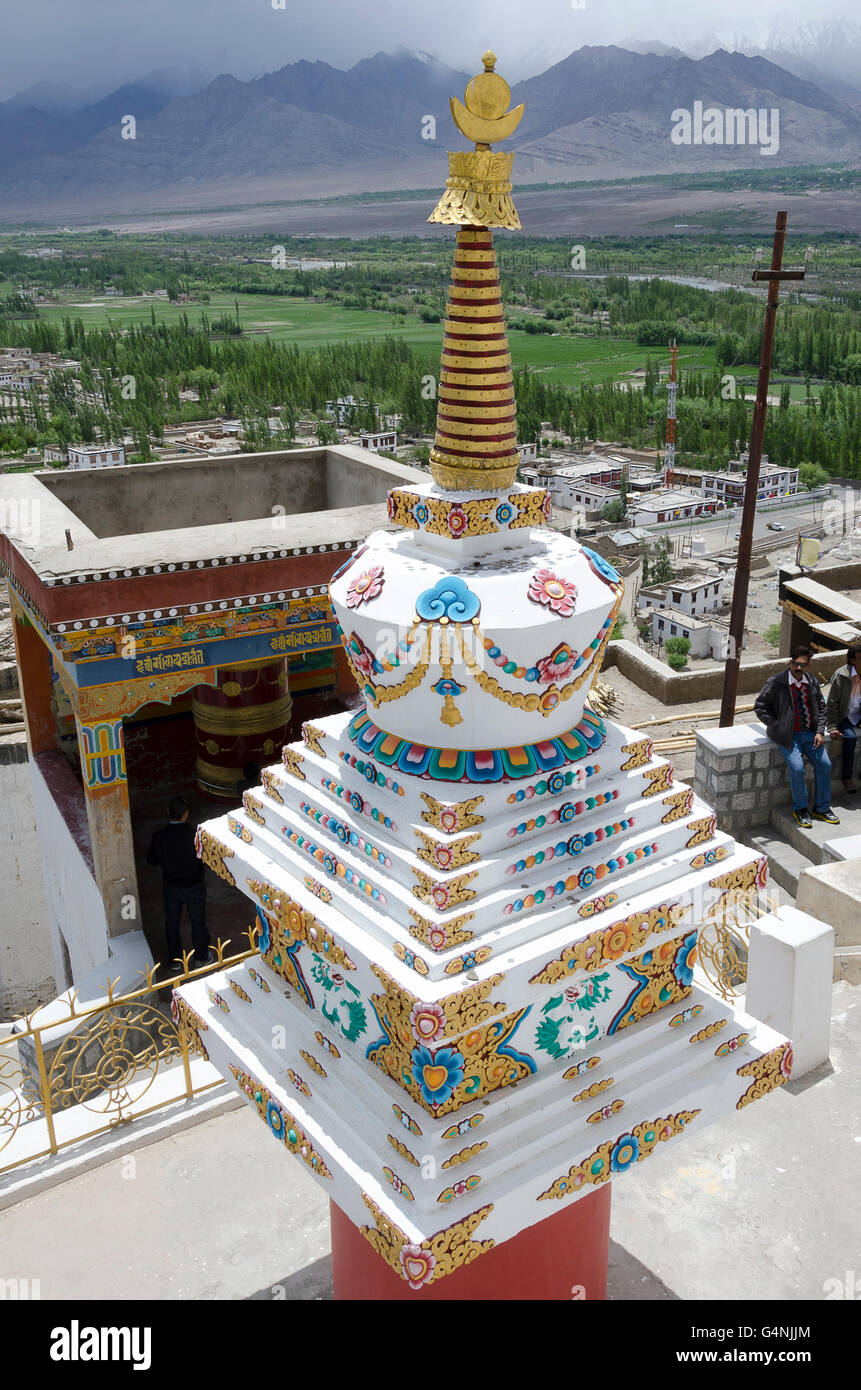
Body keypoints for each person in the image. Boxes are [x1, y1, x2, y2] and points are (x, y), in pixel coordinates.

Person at [753, 644, 839, 829]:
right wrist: (777, 726)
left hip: (810, 734)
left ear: (808, 665)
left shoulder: (812, 682)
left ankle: (822, 808)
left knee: (825, 765)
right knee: (798, 768)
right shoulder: (777, 682)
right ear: (790, 662)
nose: (799, 668)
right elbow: (760, 706)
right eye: (796, 664)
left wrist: (819, 731)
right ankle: (800, 809)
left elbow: (821, 707)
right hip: (788, 737)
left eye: (803, 665)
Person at [146, 796, 215, 968]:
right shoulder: (194, 835)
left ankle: (175, 961)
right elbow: (205, 858)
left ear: (168, 813)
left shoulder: (160, 836)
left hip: (172, 886)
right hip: (194, 885)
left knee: (172, 922)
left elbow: (152, 859)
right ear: (186, 814)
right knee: (197, 921)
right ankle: (201, 956)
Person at [826, 642, 861, 795]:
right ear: (853, 660)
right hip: (844, 716)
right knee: (851, 738)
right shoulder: (842, 676)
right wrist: (832, 726)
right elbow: (832, 703)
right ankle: (846, 777)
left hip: (858, 715)